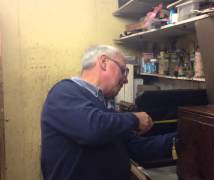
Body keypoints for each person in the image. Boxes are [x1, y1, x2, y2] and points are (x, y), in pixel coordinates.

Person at [41, 45, 176, 180]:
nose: (125, 79)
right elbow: (93, 129)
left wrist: (180, 138)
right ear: (104, 62)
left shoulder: (103, 106)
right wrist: (135, 119)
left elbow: (138, 148)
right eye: (123, 70)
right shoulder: (64, 93)